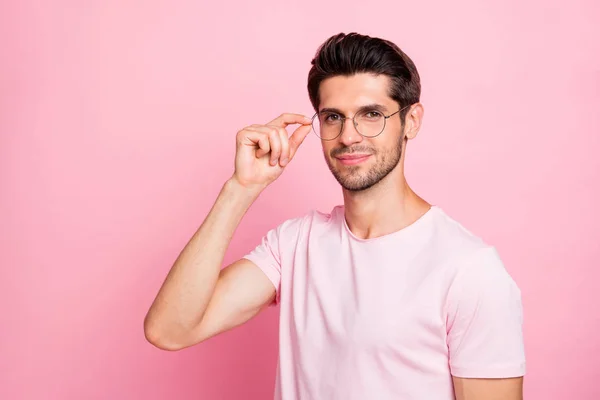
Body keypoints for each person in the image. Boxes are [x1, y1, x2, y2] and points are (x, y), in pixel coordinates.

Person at [144, 32, 526, 400]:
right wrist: (240, 190)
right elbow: (170, 330)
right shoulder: (294, 244)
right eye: (332, 117)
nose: (348, 136)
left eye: (371, 114)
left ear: (411, 121)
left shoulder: (469, 269)